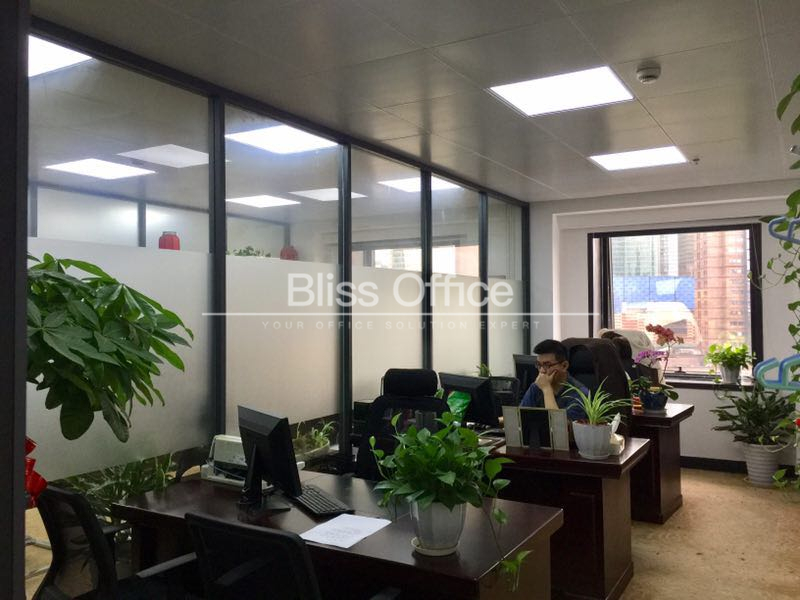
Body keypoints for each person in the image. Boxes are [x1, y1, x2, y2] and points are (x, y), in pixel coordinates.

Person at [521, 339, 588, 421]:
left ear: (564, 366)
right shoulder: (536, 387)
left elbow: (558, 426)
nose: (542, 371)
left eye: (547, 365)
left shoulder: (580, 394)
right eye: (539, 365)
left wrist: (546, 389)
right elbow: (521, 418)